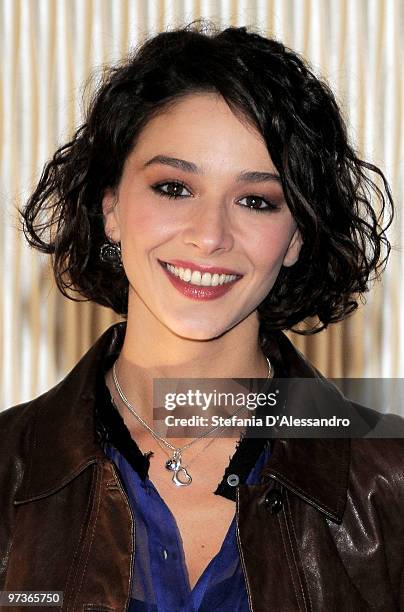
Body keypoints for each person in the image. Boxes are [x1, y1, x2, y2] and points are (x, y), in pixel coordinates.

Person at [0, 20, 403, 612]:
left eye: (256, 201)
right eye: (174, 188)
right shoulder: (9, 469)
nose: (210, 237)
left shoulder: (388, 479)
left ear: (296, 238)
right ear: (111, 207)